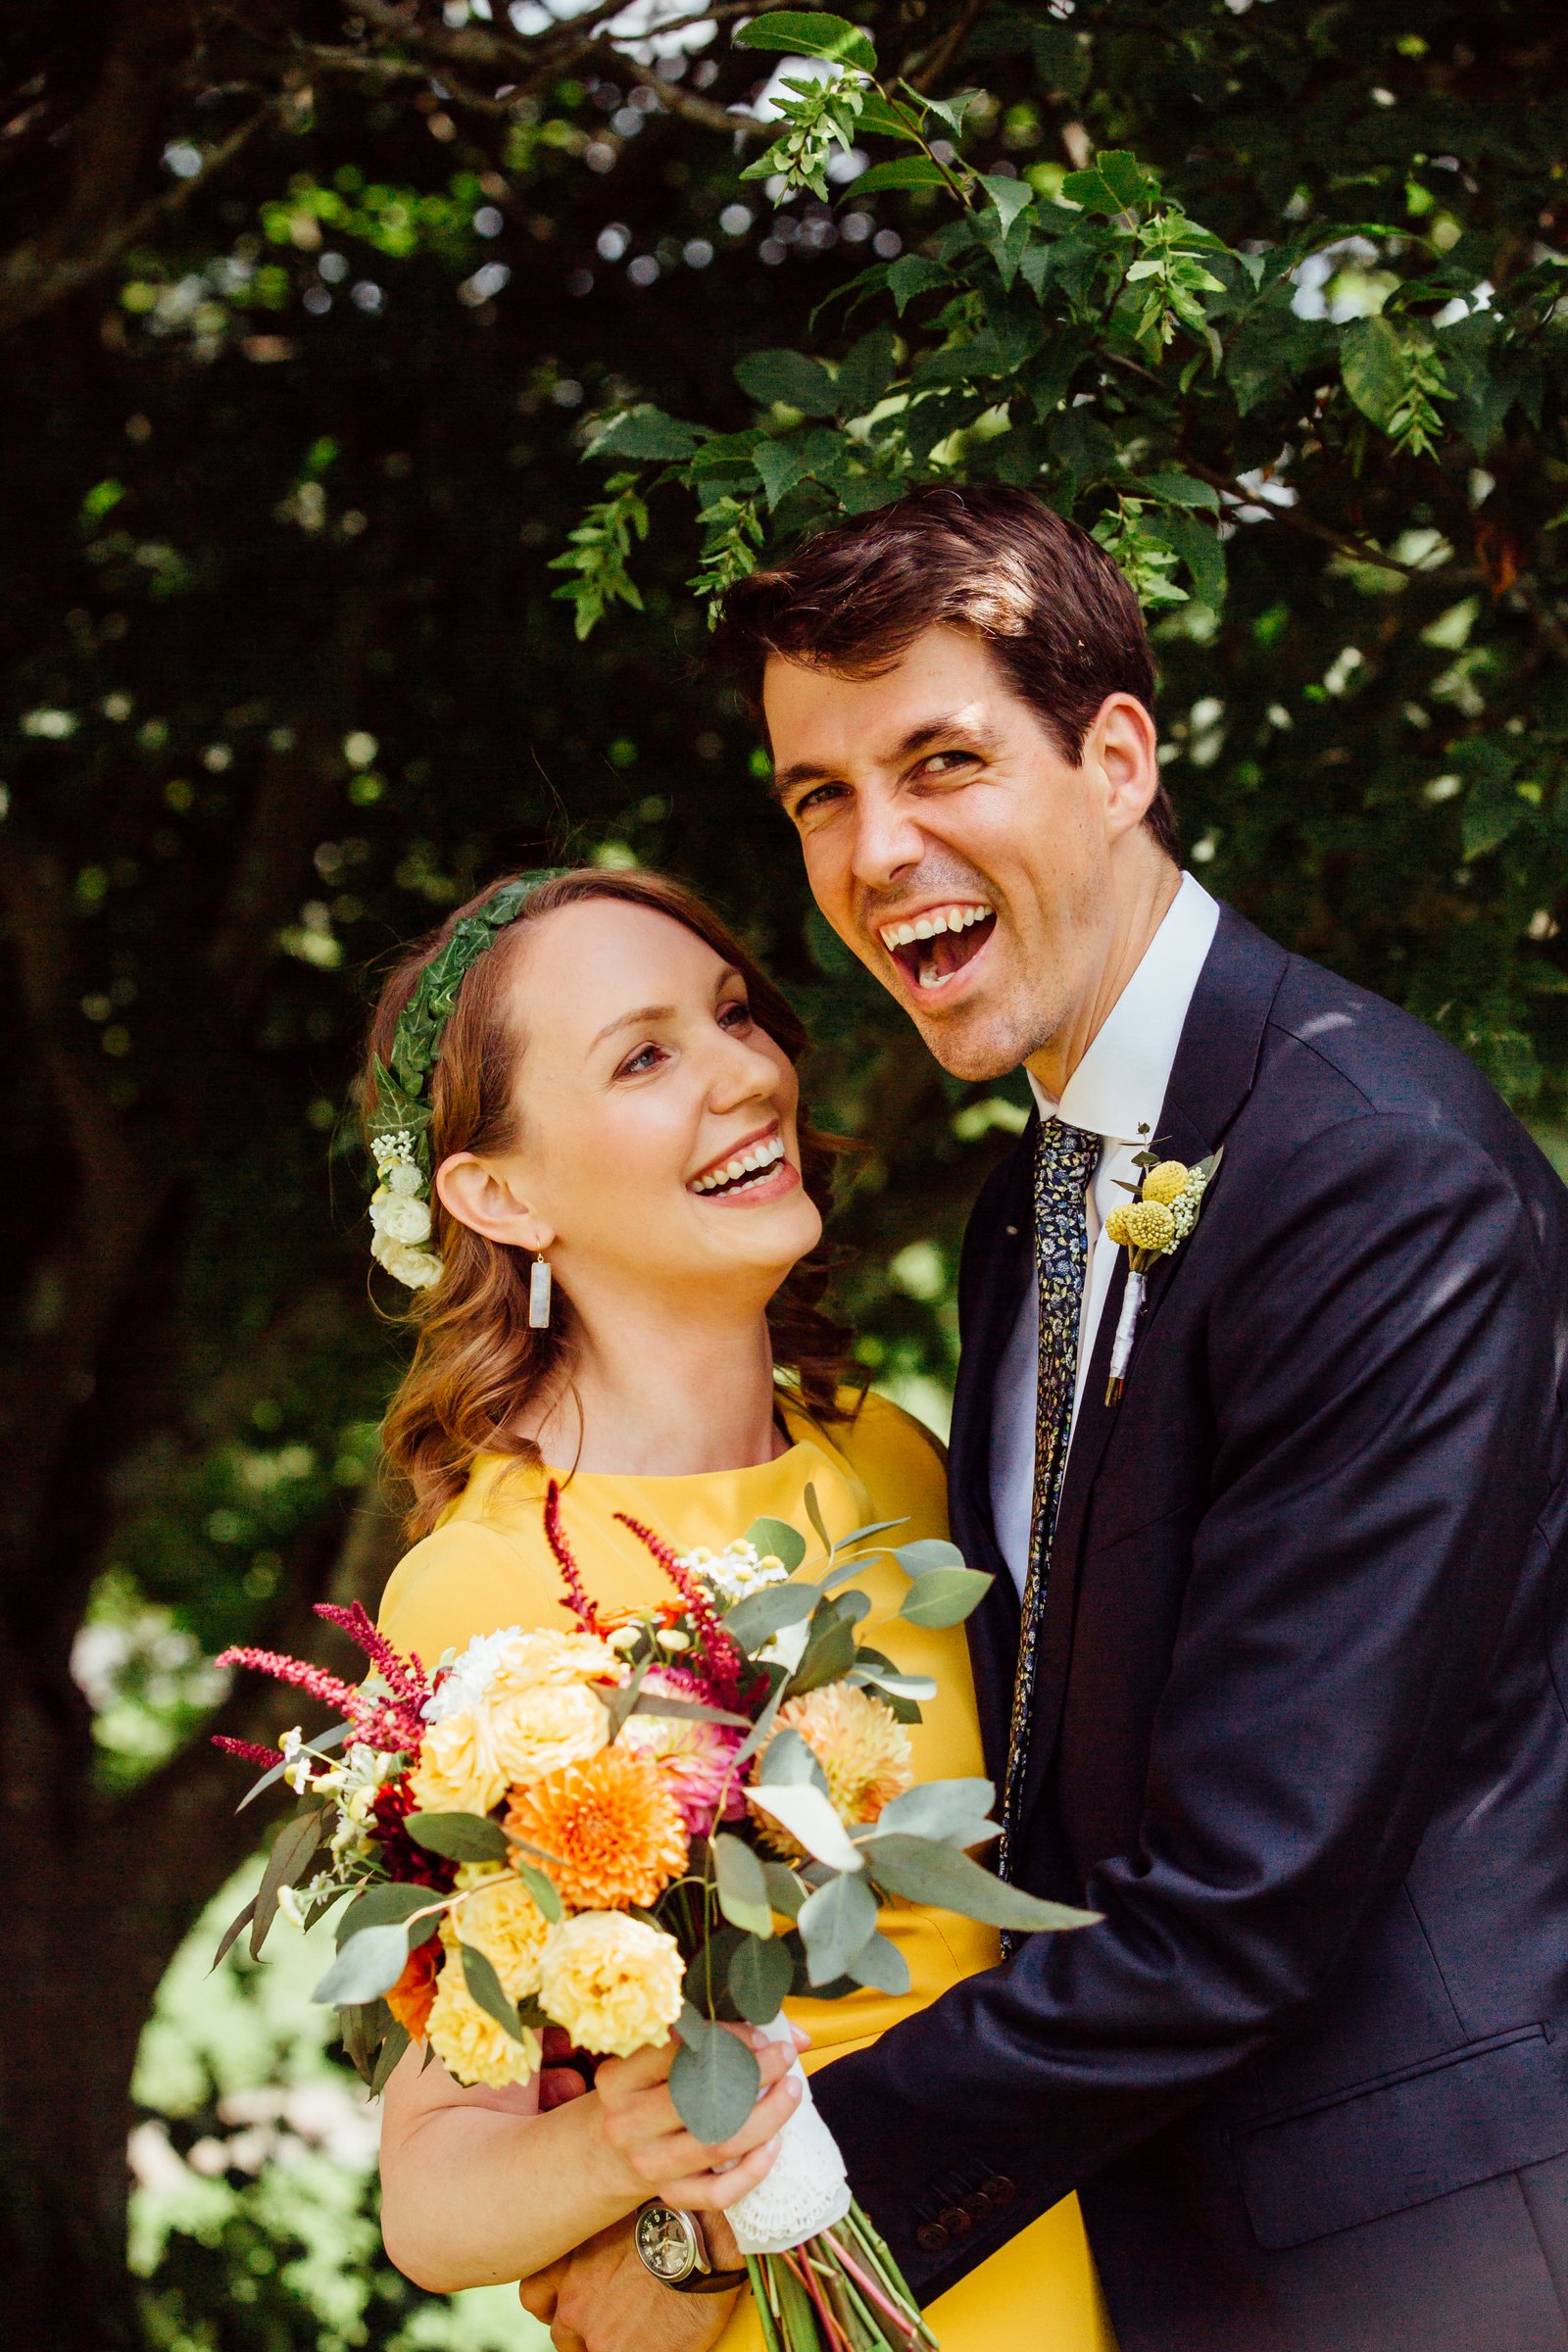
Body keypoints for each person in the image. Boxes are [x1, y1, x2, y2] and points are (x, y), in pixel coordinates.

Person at [540, 484, 1568, 2352]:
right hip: (1166, 2254)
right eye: (820, 797)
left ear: (1115, 757)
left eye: (943, 761)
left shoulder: (1374, 1176)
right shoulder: (1041, 1196)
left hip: (1427, 2262)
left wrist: (745, 2228)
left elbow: (1240, 1899)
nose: (879, 849)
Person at [366, 864, 1116, 2351]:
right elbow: (438, 2182)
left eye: (729, 1017)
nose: (745, 1073)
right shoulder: (490, 1592)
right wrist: (630, 2165)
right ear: (498, 1195)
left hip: (1089, 2270)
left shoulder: (890, 1452)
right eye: (644, 1056)